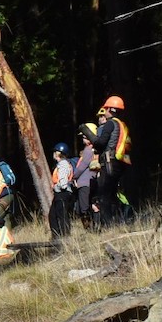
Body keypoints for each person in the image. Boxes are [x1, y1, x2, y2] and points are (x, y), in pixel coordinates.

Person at [80, 96, 131, 225]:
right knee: (113, 194)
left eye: (105, 108)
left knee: (103, 195)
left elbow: (100, 143)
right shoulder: (122, 125)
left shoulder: (109, 124)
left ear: (110, 109)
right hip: (119, 163)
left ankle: (109, 225)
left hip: (109, 163)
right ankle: (121, 221)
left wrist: (86, 131)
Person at [48, 142, 74, 239]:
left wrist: (55, 187)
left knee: (61, 216)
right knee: (53, 215)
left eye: (55, 151)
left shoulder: (63, 165)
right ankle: (57, 237)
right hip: (60, 194)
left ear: (60, 153)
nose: (54, 153)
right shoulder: (61, 164)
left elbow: (63, 184)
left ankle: (64, 237)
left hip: (62, 194)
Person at [73, 131, 97, 229]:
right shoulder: (95, 150)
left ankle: (89, 228)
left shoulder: (88, 150)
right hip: (92, 181)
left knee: (83, 208)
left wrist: (74, 176)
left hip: (84, 183)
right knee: (90, 205)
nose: (83, 138)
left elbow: (82, 166)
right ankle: (94, 227)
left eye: (84, 136)